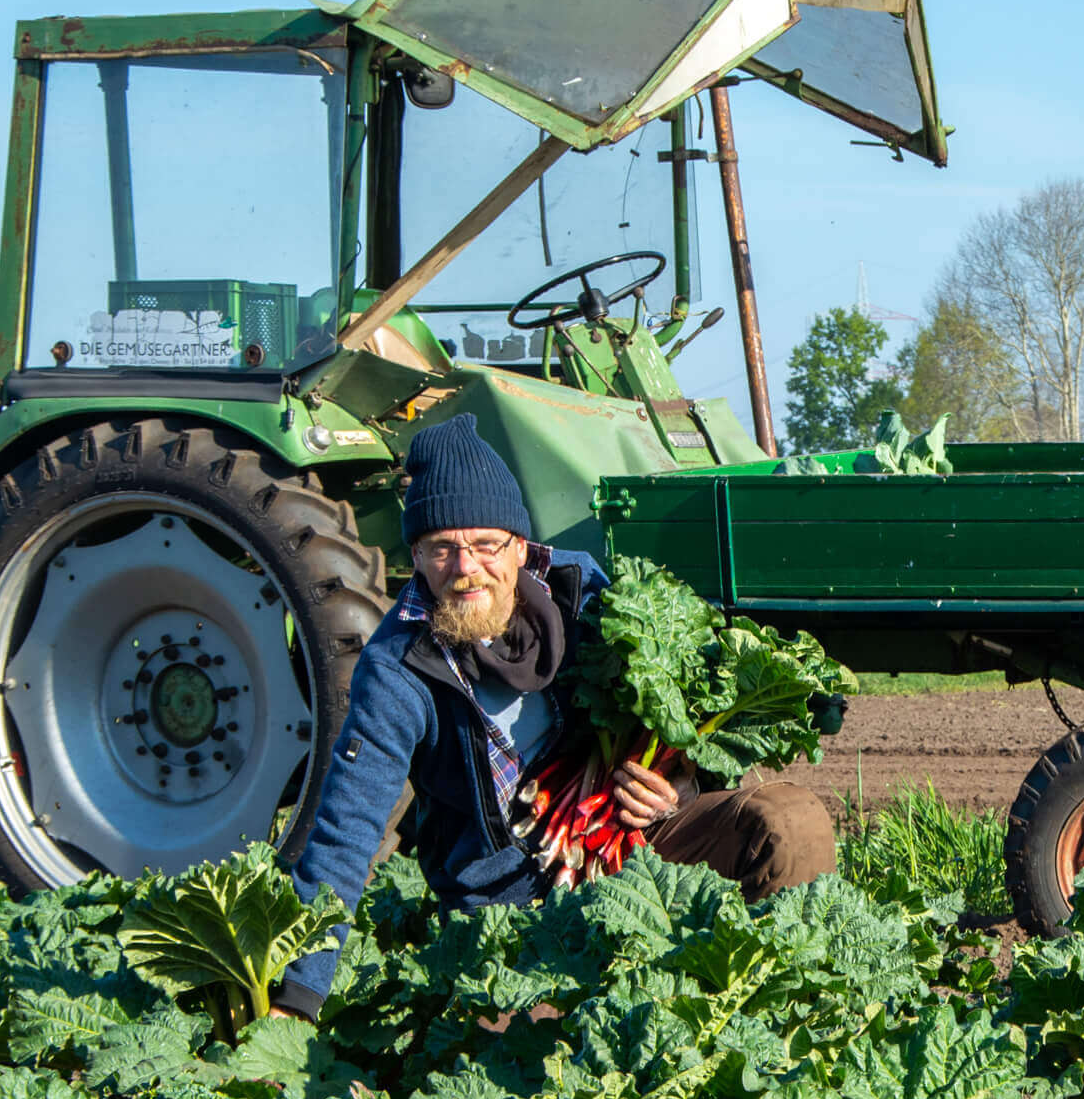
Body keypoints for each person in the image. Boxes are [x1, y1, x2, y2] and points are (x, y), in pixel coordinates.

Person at [271, 413, 836, 1020]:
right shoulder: (397, 665)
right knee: (546, 1058)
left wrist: (683, 784)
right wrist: (298, 1001)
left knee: (790, 823)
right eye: (442, 549)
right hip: (512, 897)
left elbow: (679, 709)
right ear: (416, 554)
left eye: (485, 545)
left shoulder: (583, 596)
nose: (465, 569)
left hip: (630, 840)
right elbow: (344, 833)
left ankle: (789, 1022)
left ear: (518, 547)